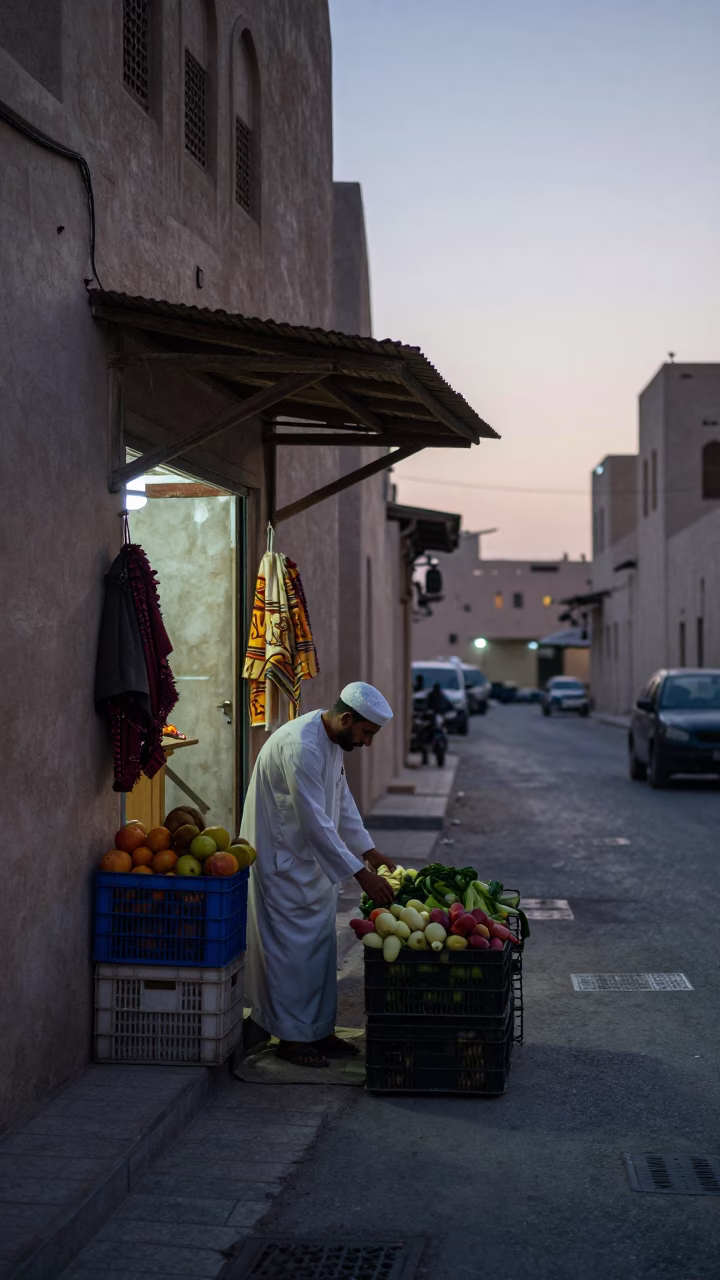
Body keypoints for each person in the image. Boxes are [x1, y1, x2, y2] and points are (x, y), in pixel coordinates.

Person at [240, 681, 396, 1068]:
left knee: (320, 951)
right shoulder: (302, 744)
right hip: (282, 863)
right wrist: (361, 874)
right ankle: (290, 1038)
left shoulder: (330, 739)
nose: (367, 743)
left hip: (310, 864)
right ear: (346, 718)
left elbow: (340, 798)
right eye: (366, 733)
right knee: (290, 954)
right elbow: (315, 822)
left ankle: (318, 1031)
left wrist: (368, 848)